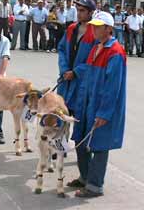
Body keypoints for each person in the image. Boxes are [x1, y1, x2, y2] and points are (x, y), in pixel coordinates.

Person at [70, 11, 126, 198]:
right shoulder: (97, 48)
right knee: (80, 139)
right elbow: (88, 71)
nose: (93, 29)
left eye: (98, 26)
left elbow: (112, 87)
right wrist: (76, 73)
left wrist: (104, 113)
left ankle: (95, 186)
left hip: (102, 106)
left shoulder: (115, 52)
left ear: (109, 29)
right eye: (93, 26)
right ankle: (85, 177)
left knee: (99, 146)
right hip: (87, 102)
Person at [57, 0, 96, 116]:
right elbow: (62, 49)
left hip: (82, 83)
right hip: (65, 80)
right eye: (78, 9)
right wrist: (64, 70)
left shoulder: (95, 32)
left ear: (91, 12)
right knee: (60, 116)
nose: (79, 13)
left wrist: (76, 72)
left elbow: (94, 59)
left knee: (79, 119)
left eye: (82, 11)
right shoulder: (71, 28)